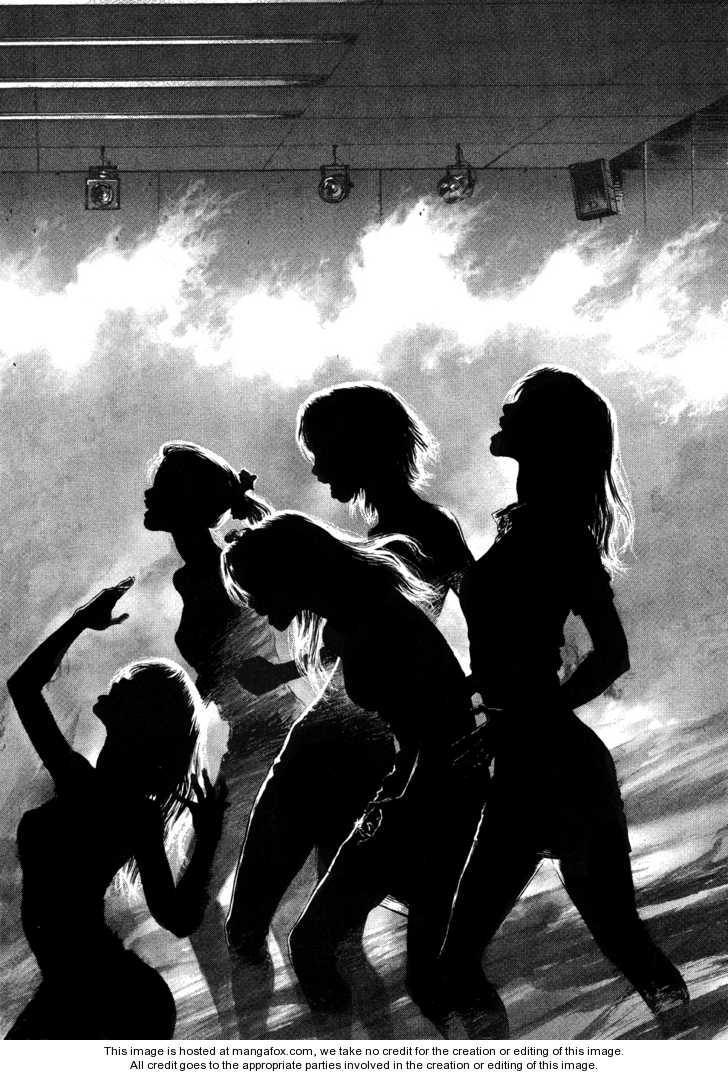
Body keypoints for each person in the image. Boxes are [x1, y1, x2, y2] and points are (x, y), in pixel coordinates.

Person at [440, 366, 688, 1032]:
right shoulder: (525, 527)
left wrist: (522, 715)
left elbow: (613, 654)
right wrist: (480, 694)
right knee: (460, 964)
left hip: (556, 769)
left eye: (517, 406)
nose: (504, 410)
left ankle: (691, 1045)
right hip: (525, 765)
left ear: (547, 434)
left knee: (622, 943)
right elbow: (513, 649)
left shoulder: (557, 532)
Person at [225, 382, 473, 960]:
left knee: (298, 918)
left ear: (361, 447)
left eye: (322, 451)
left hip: (358, 732)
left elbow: (416, 628)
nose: (315, 469)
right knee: (308, 916)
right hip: (348, 724)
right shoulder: (386, 532)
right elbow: (357, 628)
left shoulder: (424, 528)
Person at [222, 511, 482, 1013]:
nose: (262, 611)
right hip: (418, 784)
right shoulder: (351, 610)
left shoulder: (368, 617)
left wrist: (397, 806)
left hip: (431, 789)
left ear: (289, 577)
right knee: (404, 965)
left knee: (345, 950)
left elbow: (438, 720)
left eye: (261, 595)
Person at [5, 578, 224, 1039]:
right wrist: (81, 619)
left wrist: (82, 621)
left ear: (140, 719)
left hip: (105, 996)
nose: (111, 688)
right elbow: (22, 686)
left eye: (123, 688)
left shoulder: (106, 796)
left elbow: (176, 918)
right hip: (83, 989)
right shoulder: (91, 785)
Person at [143, 441, 305, 1033]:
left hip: (266, 739)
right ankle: (250, 1029)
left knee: (219, 903)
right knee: (260, 903)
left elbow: (275, 652)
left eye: (160, 488)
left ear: (185, 505)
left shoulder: (225, 570)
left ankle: (245, 1033)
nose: (148, 496)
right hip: (244, 742)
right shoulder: (194, 575)